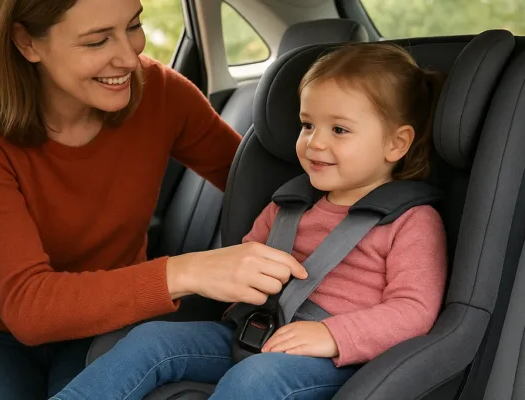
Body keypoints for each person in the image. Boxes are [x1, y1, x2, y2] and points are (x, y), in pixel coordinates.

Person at [0, 0, 310, 399]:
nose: (130, 57)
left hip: (111, 326)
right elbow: (28, 307)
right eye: (97, 41)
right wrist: (187, 273)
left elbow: (266, 192)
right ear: (26, 42)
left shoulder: (160, 92)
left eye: (134, 25)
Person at [49, 42, 449, 400]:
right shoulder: (287, 206)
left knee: (258, 379)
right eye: (308, 125)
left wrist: (332, 336)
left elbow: (413, 310)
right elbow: (239, 268)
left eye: (339, 129)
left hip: (333, 358)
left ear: (397, 143)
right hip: (253, 331)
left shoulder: (410, 222)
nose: (315, 142)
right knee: (149, 341)